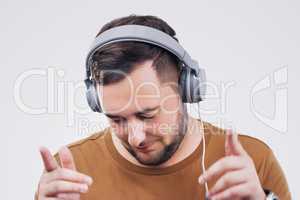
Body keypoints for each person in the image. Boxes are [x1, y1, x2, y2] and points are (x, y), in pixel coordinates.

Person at [35, 15, 291, 200]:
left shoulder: (251, 162)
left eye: (147, 115)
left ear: (185, 88)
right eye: (116, 119)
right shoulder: (67, 176)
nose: (136, 138)